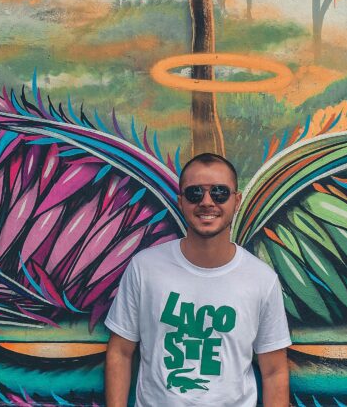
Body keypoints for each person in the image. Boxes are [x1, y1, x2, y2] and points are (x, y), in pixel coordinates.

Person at [104, 153, 291, 407]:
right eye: (194, 193)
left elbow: (274, 371)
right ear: (181, 202)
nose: (206, 202)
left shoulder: (262, 280)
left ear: (236, 201)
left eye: (219, 193)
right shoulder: (144, 268)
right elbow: (121, 352)